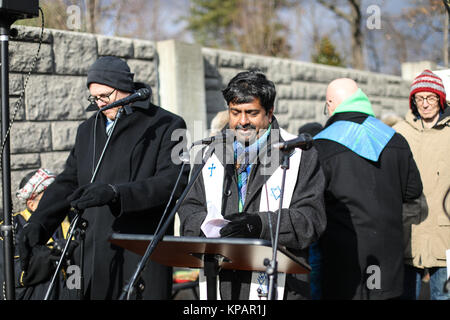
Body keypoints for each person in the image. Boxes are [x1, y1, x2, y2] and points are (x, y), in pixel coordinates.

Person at [18, 56, 190, 300]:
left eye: (105, 96)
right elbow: (68, 181)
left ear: (125, 88)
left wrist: (116, 194)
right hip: (91, 259)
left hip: (140, 254)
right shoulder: (87, 130)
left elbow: (174, 182)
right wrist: (38, 224)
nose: (100, 104)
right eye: (94, 98)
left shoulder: (169, 124)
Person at [178, 70, 326, 300]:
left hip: (281, 287)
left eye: (252, 113)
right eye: (235, 112)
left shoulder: (299, 154)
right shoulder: (209, 153)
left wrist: (258, 224)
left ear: (269, 113)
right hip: (221, 283)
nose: (242, 121)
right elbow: (188, 207)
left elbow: (311, 220)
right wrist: (210, 226)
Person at [313, 78, 423, 300]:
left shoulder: (321, 146)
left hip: (344, 263)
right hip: (389, 260)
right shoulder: (395, 139)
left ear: (331, 104)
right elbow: (413, 191)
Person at [393, 69, 450, 300]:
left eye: (431, 97)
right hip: (408, 231)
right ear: (413, 102)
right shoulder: (398, 132)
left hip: (445, 232)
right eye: (419, 98)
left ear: (441, 99)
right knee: (404, 295)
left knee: (443, 297)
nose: (425, 104)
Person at [0, 168, 72, 299]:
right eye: (48, 197)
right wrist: (53, 253)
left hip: (73, 290)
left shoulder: (73, 220)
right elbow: (17, 272)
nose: (56, 201)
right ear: (31, 204)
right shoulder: (12, 227)